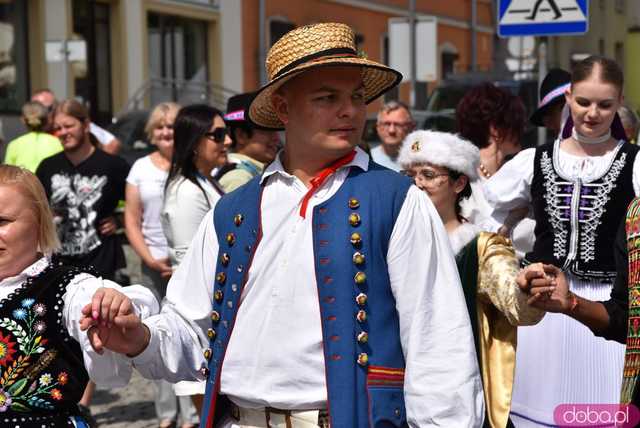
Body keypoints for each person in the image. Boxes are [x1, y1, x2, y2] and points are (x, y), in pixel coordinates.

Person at [82, 22, 483, 427]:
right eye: (327, 97)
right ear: (283, 108)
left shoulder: (397, 200)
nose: (350, 110)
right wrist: (140, 338)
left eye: (357, 97)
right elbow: (192, 328)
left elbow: (439, 341)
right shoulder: (233, 211)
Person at [484, 55, 637, 427]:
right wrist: (506, 270)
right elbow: (487, 223)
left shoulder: (633, 163)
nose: (593, 113)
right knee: (534, 415)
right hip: (543, 311)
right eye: (584, 101)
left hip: (606, 314)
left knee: (601, 414)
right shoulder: (532, 161)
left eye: (605, 104)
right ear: (569, 97)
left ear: (618, 103)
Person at [399, 129, 545, 428]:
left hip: (459, 394)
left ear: (459, 182)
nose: (417, 183)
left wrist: (528, 289)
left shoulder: (480, 247)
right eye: (409, 175)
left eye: (428, 174)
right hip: (401, 386)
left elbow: (515, 303)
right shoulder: (396, 239)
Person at [0, 164, 157, 428]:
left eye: (2, 221)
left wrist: (113, 307)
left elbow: (126, 315)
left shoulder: (68, 289)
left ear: (39, 222)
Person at [124, 102, 199, 428]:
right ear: (151, 133)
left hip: (187, 264)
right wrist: (148, 257)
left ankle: (192, 414)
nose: (166, 132)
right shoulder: (141, 168)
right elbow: (132, 218)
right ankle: (166, 414)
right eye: (160, 127)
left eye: (171, 126)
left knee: (191, 336)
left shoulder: (191, 163)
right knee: (153, 337)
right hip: (152, 262)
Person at [455, 83, 534, 257]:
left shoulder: (515, 175)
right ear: (496, 130)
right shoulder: (464, 181)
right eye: (517, 124)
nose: (523, 130)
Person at [162, 104, 230, 270]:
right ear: (194, 142)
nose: (228, 141)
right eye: (219, 135)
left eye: (227, 133)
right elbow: (188, 262)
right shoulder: (186, 192)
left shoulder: (209, 181)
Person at [216, 92, 280, 192]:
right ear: (241, 136)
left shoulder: (252, 174)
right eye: (266, 131)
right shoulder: (238, 179)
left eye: (276, 131)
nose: (276, 138)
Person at [31, 88, 122, 155]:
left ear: (55, 106)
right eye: (35, 110)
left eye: (46, 109)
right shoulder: (32, 133)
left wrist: (98, 167)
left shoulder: (77, 123)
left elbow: (113, 143)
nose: (41, 114)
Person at [3, 101, 62, 172]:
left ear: (23, 120)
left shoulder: (14, 144)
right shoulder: (57, 142)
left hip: (23, 183)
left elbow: (7, 174)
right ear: (47, 120)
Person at [370, 100, 415, 171]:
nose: (392, 130)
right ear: (377, 127)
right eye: (386, 124)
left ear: (411, 128)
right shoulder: (367, 160)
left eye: (398, 125)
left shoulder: (422, 159)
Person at [530, 68, 571, 137]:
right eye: (563, 107)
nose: (575, 112)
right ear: (548, 121)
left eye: (580, 103)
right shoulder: (545, 148)